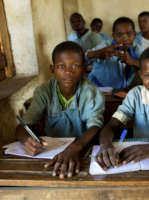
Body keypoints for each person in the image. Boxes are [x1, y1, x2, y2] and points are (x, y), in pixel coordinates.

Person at [16, 41, 105, 179]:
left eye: (75, 66)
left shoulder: (90, 92)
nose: (68, 72)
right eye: (61, 66)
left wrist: (76, 147)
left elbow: (95, 126)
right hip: (52, 152)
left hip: (84, 150)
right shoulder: (44, 92)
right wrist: (26, 140)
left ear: (84, 69)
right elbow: (23, 126)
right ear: (52, 69)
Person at [87, 17, 139, 89]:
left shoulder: (136, 48)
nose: (124, 38)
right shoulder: (106, 46)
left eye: (129, 34)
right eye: (119, 35)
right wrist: (99, 52)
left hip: (121, 90)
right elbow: (85, 56)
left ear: (134, 35)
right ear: (113, 36)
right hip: (98, 88)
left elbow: (148, 65)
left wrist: (132, 61)